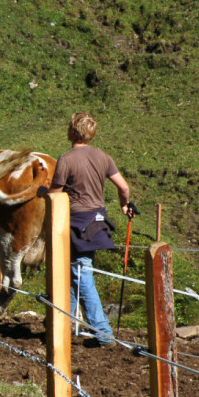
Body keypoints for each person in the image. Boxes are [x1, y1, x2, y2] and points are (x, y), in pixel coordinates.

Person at [48, 111, 135, 347]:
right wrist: (124, 204)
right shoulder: (103, 157)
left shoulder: (66, 159)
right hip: (98, 221)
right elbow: (123, 187)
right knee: (76, 273)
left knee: (81, 273)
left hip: (77, 223)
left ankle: (103, 332)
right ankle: (62, 326)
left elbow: (55, 194)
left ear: (72, 132)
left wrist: (41, 193)